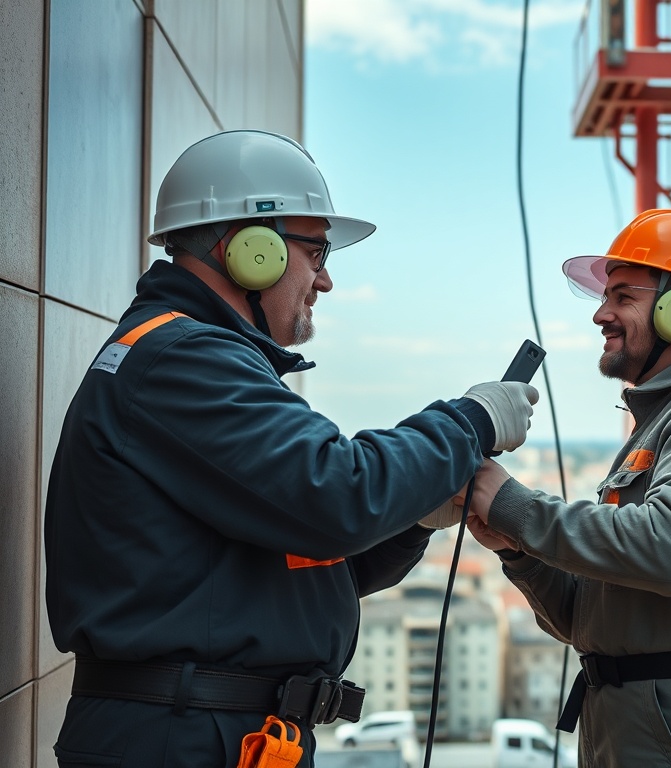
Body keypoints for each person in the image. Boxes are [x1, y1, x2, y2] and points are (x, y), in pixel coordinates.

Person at [43, 129, 539, 768]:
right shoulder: (184, 358)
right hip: (182, 736)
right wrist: (470, 421)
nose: (324, 279)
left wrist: (413, 519)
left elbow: (309, 565)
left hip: (205, 729)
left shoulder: (189, 356)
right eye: (316, 250)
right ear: (252, 251)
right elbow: (338, 495)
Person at [464, 209, 671, 767]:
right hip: (633, 722)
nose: (601, 313)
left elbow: (668, 550)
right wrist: (516, 549)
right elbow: (585, 620)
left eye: (623, 296)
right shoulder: (665, 423)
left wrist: (510, 503)